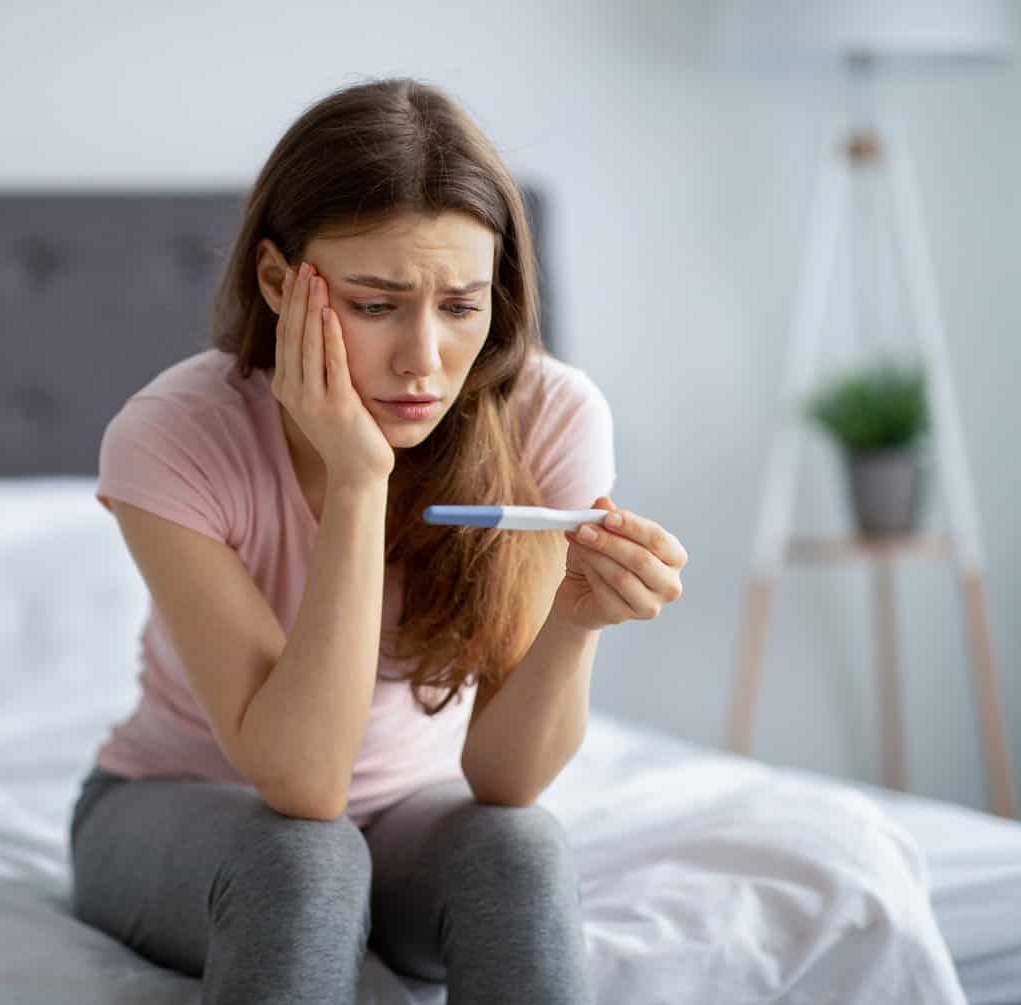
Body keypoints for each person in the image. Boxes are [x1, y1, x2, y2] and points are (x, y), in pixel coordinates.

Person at [68, 76, 688, 1005]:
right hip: (173, 806)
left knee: (519, 850)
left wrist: (574, 620)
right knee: (304, 861)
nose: (423, 360)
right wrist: (360, 481)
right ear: (280, 283)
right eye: (374, 304)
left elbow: (504, 777)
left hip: (406, 820)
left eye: (461, 306)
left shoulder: (550, 416)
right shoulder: (173, 436)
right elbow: (306, 784)